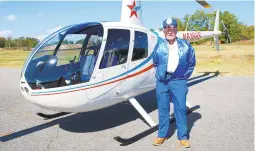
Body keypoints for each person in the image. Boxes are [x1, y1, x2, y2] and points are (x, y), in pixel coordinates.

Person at [152, 17, 196, 148]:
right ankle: (162, 134)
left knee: (180, 108)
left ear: (176, 29)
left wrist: (182, 76)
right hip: (162, 81)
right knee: (163, 108)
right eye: (167, 28)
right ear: (164, 30)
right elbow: (155, 62)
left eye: (172, 28)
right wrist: (160, 74)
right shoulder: (159, 45)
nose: (170, 31)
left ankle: (182, 136)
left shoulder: (185, 45)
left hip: (179, 80)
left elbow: (191, 63)